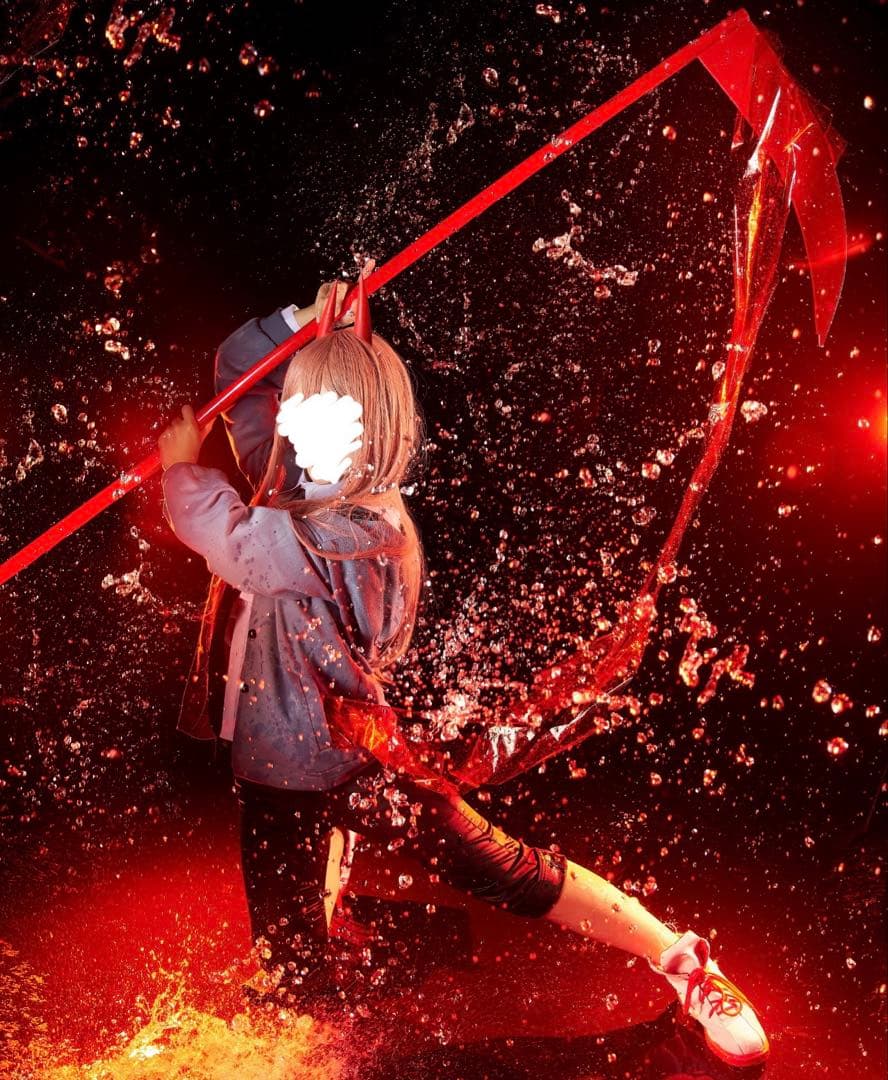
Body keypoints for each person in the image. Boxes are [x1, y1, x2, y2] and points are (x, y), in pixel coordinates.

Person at [158, 274, 769, 1068]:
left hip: (350, 761)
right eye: (295, 402)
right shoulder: (300, 482)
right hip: (281, 771)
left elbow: (227, 536)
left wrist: (180, 469)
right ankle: (315, 993)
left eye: (313, 408)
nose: (288, 419)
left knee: (501, 867)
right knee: (291, 961)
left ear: (368, 434)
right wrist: (304, 320)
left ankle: (684, 963)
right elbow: (238, 373)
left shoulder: (352, 532)